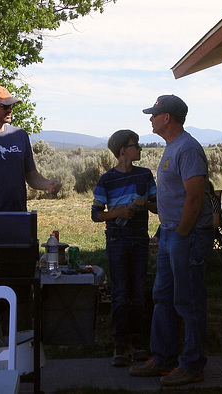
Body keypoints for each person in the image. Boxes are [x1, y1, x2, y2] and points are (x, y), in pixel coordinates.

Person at [129, 94, 214, 387]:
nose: (150, 118)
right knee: (163, 297)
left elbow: (195, 196)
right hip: (169, 234)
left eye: (154, 114)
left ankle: (192, 365)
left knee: (188, 301)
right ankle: (163, 359)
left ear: (167, 118)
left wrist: (181, 234)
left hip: (185, 236)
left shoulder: (188, 148)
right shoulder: (173, 147)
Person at [91, 130, 158, 367]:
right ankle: (120, 346)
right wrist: (117, 213)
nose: (140, 148)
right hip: (117, 242)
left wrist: (146, 204)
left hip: (139, 241)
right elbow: (96, 214)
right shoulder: (106, 180)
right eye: (135, 145)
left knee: (138, 293)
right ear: (123, 151)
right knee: (120, 294)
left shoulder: (145, 175)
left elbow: (158, 207)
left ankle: (138, 344)